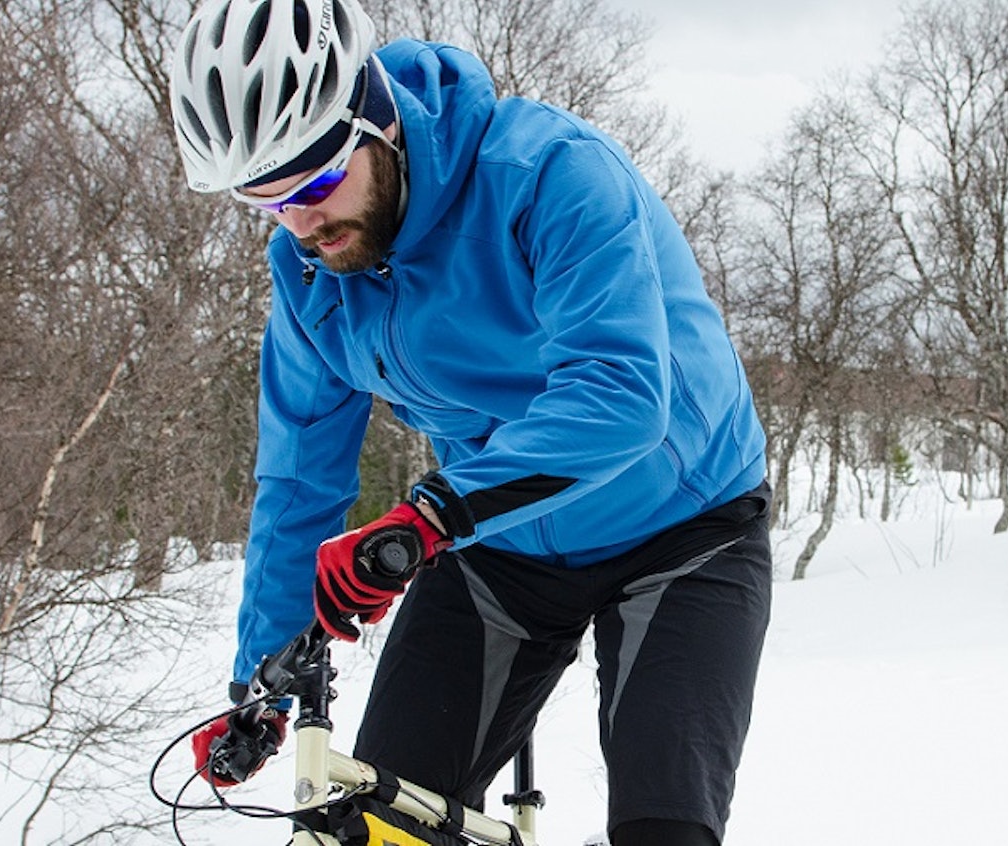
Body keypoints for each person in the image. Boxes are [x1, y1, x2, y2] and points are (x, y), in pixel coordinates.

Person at [171, 1, 772, 844]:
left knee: (663, 827)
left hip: (683, 526)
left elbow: (624, 395)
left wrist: (428, 519)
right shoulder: (308, 274)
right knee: (378, 825)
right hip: (503, 549)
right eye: (267, 201)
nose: (302, 225)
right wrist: (262, 686)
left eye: (312, 184)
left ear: (375, 121)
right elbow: (298, 479)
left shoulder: (550, 173)